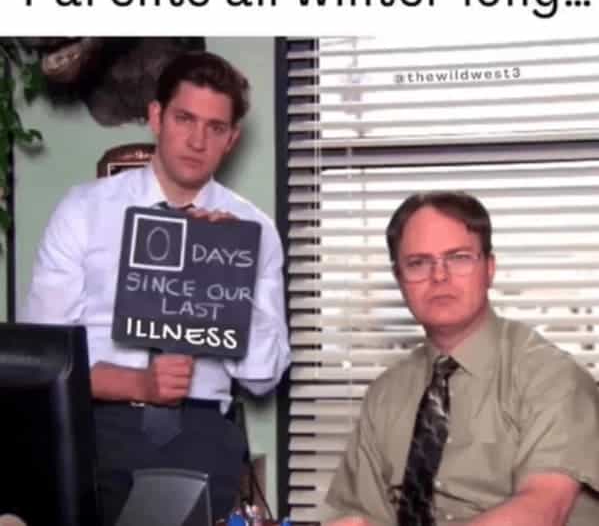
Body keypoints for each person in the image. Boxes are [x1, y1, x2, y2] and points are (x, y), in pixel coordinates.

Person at [20, 51, 291, 525]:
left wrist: (227, 276)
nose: (197, 140)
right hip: (95, 426)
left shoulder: (255, 231)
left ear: (231, 139)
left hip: (201, 433)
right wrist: (138, 383)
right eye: (184, 119)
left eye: (215, 127)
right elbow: (43, 362)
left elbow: (264, 375)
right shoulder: (84, 210)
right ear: (156, 117)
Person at [323, 191, 599, 526]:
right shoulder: (385, 394)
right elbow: (356, 516)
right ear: (399, 278)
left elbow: (541, 511)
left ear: (489, 268)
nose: (439, 276)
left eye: (458, 258)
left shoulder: (551, 377)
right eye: (418, 263)